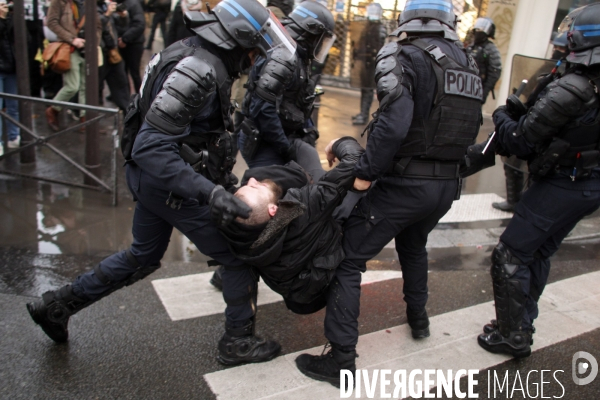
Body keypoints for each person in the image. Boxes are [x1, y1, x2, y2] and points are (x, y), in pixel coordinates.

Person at [26, 0, 297, 367]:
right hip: (171, 185)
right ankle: (238, 343)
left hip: (155, 181)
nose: (253, 59)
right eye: (253, 50)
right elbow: (152, 147)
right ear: (238, 40)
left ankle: (57, 305)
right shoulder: (201, 69)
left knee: (142, 256)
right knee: (238, 259)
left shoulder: (192, 52)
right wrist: (211, 192)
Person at [295, 0, 483, 388]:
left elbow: (395, 124)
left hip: (406, 184)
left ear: (406, 22)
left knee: (347, 259)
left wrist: (364, 174)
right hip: (446, 186)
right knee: (413, 247)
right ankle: (419, 320)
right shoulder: (466, 63)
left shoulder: (402, 55)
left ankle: (341, 361)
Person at [477, 3, 600, 358]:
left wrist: (502, 115)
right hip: (586, 184)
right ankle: (518, 322)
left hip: (563, 185)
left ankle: (513, 336)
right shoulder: (585, 83)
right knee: (537, 251)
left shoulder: (573, 87)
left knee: (510, 254)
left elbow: (520, 140)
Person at [218, 137, 366, 314]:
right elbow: (353, 160)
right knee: (363, 188)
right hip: (321, 286)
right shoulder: (304, 207)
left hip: (296, 298)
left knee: (307, 157)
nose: (251, 180)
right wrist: (337, 143)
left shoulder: (239, 233)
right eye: (256, 187)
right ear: (274, 210)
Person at [238, 0, 335, 168]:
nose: (321, 45)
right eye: (321, 39)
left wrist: (309, 130)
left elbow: (298, 100)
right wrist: (285, 148)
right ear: (309, 31)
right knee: (270, 189)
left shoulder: (299, 55)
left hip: (279, 136)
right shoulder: (283, 56)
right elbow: (263, 110)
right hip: (263, 141)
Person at [44, 0, 102, 131]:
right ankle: (53, 109)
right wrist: (72, 39)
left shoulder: (88, 3)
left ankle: (85, 120)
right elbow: (51, 22)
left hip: (87, 47)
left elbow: (98, 25)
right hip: (69, 47)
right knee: (72, 86)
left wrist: (94, 42)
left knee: (85, 86)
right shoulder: (59, 2)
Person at [98, 0, 130, 111]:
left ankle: (128, 114)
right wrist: (106, 14)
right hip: (100, 52)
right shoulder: (91, 7)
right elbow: (96, 26)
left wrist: (123, 16)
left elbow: (121, 27)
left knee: (121, 82)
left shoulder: (105, 6)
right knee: (96, 85)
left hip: (113, 52)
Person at [466, 17, 501, 105]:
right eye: (477, 30)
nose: (478, 32)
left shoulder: (491, 49)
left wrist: (484, 92)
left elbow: (495, 72)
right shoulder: (471, 47)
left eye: (481, 30)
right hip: (465, 85)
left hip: (478, 88)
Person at [0, 0, 20, 156]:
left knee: (13, 106)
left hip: (11, 67)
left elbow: (21, 39)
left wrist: (8, 19)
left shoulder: (11, 18)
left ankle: (14, 136)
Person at [113, 0, 145, 93]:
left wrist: (125, 38)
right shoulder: (116, 4)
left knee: (134, 72)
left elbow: (139, 24)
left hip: (134, 44)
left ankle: (140, 96)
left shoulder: (134, 4)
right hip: (121, 42)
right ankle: (125, 96)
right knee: (122, 72)